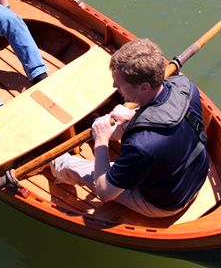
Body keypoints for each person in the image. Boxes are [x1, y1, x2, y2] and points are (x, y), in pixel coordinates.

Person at [51, 39, 209, 218]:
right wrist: (134, 117)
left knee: (70, 165)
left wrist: (101, 141)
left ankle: (57, 165)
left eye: (119, 84)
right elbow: (168, 121)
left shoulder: (142, 146)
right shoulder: (185, 87)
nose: (114, 87)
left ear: (144, 87)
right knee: (124, 135)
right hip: (194, 177)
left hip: (166, 202)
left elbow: (105, 191)